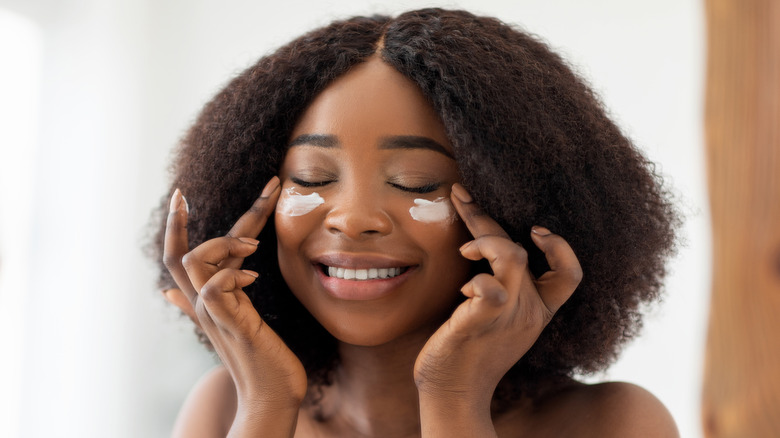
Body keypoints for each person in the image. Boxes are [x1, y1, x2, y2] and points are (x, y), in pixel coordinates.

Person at [150, 8, 680, 437]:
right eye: (310, 178)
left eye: (416, 183)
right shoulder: (226, 408)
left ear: (514, 211)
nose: (353, 219)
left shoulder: (611, 423)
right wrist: (264, 406)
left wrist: (453, 402)